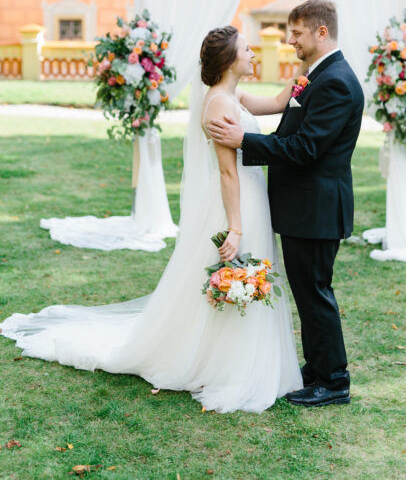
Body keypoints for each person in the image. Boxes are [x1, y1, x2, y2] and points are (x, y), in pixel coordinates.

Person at [0, 26, 303, 414]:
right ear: (229, 61)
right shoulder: (220, 105)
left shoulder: (232, 95)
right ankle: (222, 363)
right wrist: (237, 226)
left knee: (247, 277)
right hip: (236, 202)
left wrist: (302, 80)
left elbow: (276, 103)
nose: (254, 54)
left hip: (250, 196)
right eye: (247, 49)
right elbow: (228, 173)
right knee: (235, 274)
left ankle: (235, 358)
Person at [207, 0, 365, 408]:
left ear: (321, 32)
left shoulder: (334, 81)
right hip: (304, 208)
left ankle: (333, 381)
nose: (289, 40)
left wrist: (244, 141)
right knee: (308, 291)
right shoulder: (317, 75)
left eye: (296, 33)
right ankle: (317, 370)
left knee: (314, 293)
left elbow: (306, 146)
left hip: (315, 209)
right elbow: (287, 115)